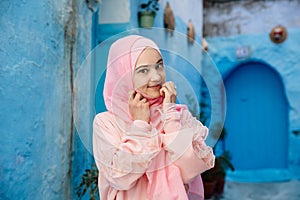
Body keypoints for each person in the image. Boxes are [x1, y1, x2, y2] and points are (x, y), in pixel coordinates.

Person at [93, 35, 215, 200]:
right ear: (123, 75)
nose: (156, 77)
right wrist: (140, 126)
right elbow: (119, 179)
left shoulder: (177, 114)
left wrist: (171, 118)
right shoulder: (106, 123)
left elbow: (189, 170)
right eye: (143, 70)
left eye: (159, 66)